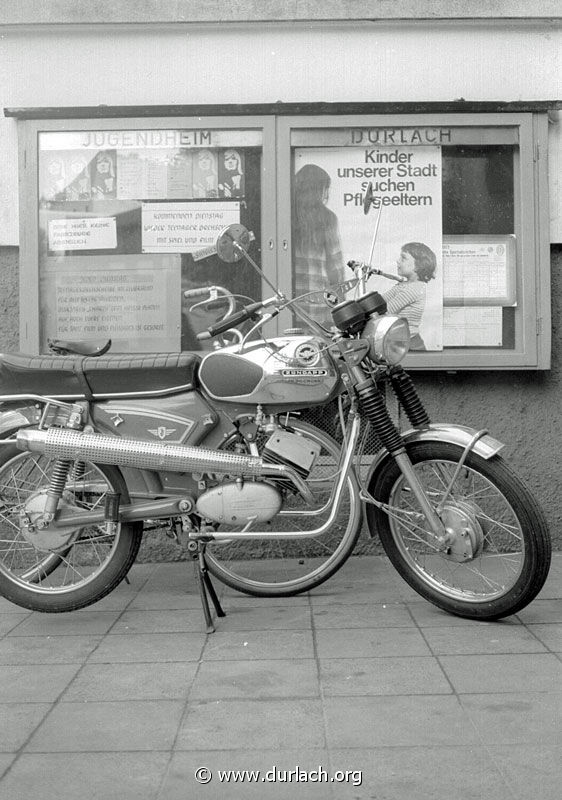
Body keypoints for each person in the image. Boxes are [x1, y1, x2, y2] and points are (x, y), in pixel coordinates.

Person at [292, 164, 345, 327]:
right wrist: (342, 305)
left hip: (290, 305)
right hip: (318, 304)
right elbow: (335, 267)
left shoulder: (286, 216)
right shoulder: (327, 218)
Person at [383, 241, 437, 350]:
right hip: (401, 343)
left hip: (410, 345)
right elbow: (378, 302)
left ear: (419, 265)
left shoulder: (414, 288)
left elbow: (383, 312)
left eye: (403, 258)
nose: (397, 261)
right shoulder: (404, 284)